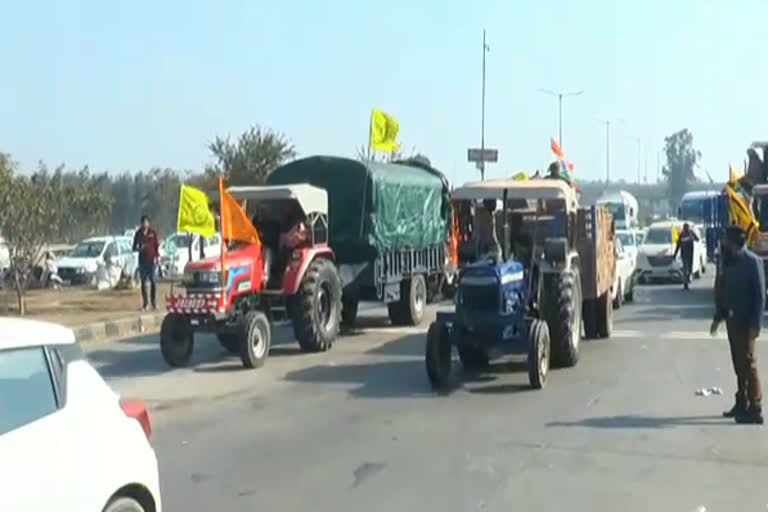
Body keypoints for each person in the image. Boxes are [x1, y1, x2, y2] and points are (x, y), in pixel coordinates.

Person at [712, 225, 765, 424]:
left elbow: (760, 296)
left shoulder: (752, 262)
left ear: (734, 242)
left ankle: (755, 409)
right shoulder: (727, 261)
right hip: (732, 321)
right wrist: (719, 315)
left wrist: (755, 324)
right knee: (738, 364)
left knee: (749, 364)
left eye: (726, 239)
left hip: (747, 322)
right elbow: (721, 288)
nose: (723, 242)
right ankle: (741, 402)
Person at [132, 215, 160, 311]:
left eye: (146, 222)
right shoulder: (138, 234)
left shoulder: (153, 233)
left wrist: (157, 257)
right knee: (143, 283)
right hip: (142, 262)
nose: (145, 224)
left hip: (152, 261)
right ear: (141, 223)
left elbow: (157, 246)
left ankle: (154, 303)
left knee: (153, 281)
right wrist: (139, 248)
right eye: (143, 222)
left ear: (149, 223)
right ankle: (145, 304)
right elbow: (133, 247)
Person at [673, 223, 699, 290]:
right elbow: (678, 245)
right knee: (685, 269)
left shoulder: (691, 233)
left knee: (689, 268)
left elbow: (697, 239)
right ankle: (685, 284)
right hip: (684, 254)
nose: (686, 229)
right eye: (685, 228)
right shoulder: (681, 235)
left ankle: (688, 278)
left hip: (690, 254)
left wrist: (693, 235)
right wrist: (675, 255)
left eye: (687, 227)